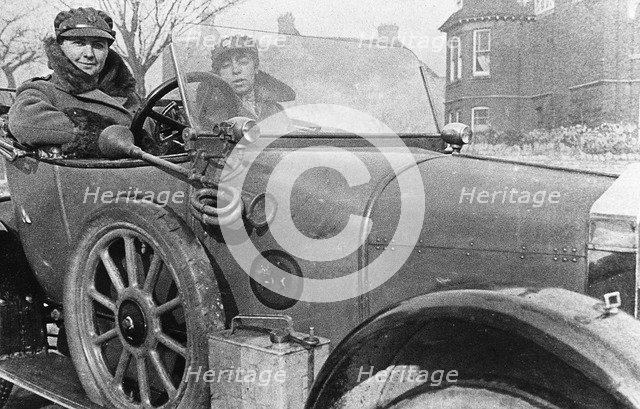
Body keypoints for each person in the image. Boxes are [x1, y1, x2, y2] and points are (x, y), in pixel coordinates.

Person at [8, 7, 141, 158]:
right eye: (79, 43)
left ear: (107, 51)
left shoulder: (128, 96)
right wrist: (100, 136)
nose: (89, 54)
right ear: (61, 47)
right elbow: (23, 121)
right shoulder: (43, 90)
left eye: (98, 45)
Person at [196, 35, 295, 129]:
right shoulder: (211, 116)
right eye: (226, 65)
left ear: (255, 68)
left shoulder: (275, 110)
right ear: (218, 75)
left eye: (243, 62)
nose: (236, 70)